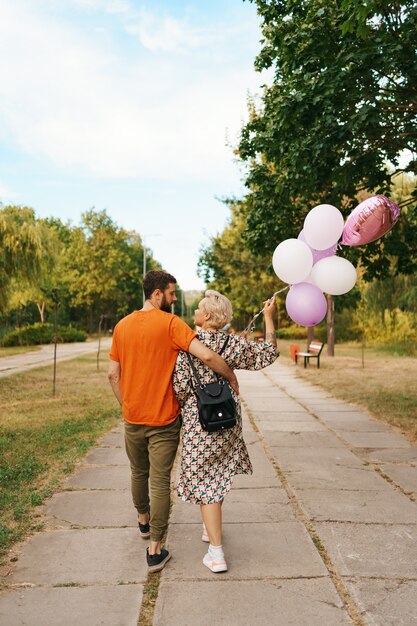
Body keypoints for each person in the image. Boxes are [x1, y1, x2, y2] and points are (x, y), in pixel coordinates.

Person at [108, 272, 239, 573]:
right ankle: (155, 549)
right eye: (171, 293)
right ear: (156, 294)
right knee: (159, 481)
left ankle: (143, 521)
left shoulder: (122, 326)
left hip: (133, 417)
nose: (175, 298)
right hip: (164, 420)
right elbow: (206, 355)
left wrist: (126, 404)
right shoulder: (170, 324)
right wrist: (230, 375)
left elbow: (113, 374)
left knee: (138, 473)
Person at [173, 290, 278, 573]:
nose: (195, 311)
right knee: (216, 473)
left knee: (204, 479)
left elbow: (180, 387)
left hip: (200, 422)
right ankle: (210, 528)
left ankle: (216, 553)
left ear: (206, 316)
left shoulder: (189, 345)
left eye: (198, 308)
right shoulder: (233, 344)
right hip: (229, 419)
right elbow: (268, 355)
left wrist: (186, 408)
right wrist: (268, 318)